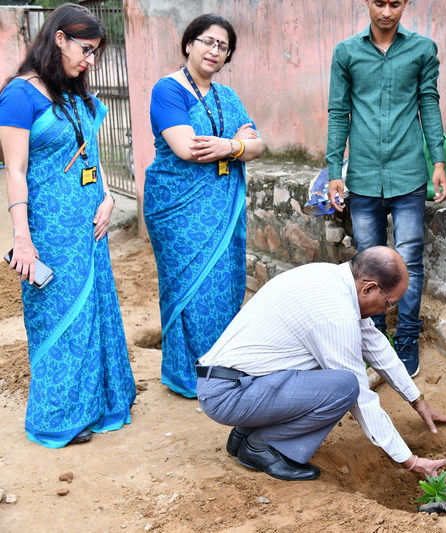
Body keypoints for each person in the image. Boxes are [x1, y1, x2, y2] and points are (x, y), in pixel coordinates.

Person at [196, 246, 446, 482]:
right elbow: (361, 398)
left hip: (237, 384)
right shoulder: (336, 313)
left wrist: (417, 400)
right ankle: (265, 445)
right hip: (230, 395)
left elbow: (376, 345)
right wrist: (410, 461)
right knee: (343, 386)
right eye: (389, 303)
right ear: (369, 288)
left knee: (326, 371)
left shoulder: (331, 279)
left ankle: (246, 433)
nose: (386, 311)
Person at [0, 3, 135, 447]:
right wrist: (23, 239)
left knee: (94, 310)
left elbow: (91, 155)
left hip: (90, 227)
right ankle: (56, 416)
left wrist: (109, 197)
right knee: (59, 318)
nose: (90, 60)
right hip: (49, 230)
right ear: (59, 38)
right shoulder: (20, 95)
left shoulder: (77, 94)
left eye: (96, 52)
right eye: (85, 49)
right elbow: (15, 170)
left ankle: (98, 404)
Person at [326, 0, 446, 377]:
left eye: (395, 3)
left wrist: (438, 162)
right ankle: (374, 336)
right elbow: (338, 111)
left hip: (409, 172)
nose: (386, 12)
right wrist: (334, 169)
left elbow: (429, 105)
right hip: (363, 175)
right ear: (367, 2)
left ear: (406, 4)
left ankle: (407, 337)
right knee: (367, 263)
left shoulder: (422, 50)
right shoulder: (346, 52)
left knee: (409, 259)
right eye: (379, 2)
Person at [144, 14, 264, 398]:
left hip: (221, 207)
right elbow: (187, 148)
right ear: (189, 44)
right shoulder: (168, 90)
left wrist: (230, 145)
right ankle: (188, 374)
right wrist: (237, 144)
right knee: (190, 290)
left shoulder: (228, 96)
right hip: (178, 209)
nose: (215, 50)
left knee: (224, 284)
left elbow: (258, 145)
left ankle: (221, 366)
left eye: (223, 46)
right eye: (208, 41)